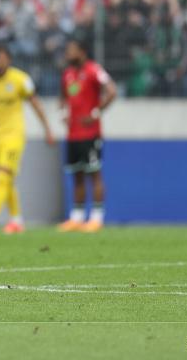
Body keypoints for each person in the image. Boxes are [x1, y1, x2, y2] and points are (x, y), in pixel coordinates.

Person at [0, 45, 54, 234]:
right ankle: (17, 220)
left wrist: (47, 129)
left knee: (3, 175)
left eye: (0, 57)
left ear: (8, 59)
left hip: (14, 135)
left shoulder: (20, 79)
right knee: (6, 179)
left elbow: (36, 105)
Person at [58, 39, 117, 233]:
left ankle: (97, 218)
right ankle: (76, 217)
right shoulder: (67, 74)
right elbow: (63, 98)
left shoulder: (94, 70)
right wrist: (63, 114)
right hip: (73, 134)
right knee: (77, 175)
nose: (68, 54)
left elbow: (112, 91)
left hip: (90, 134)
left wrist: (95, 114)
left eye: (71, 50)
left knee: (94, 174)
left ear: (82, 52)